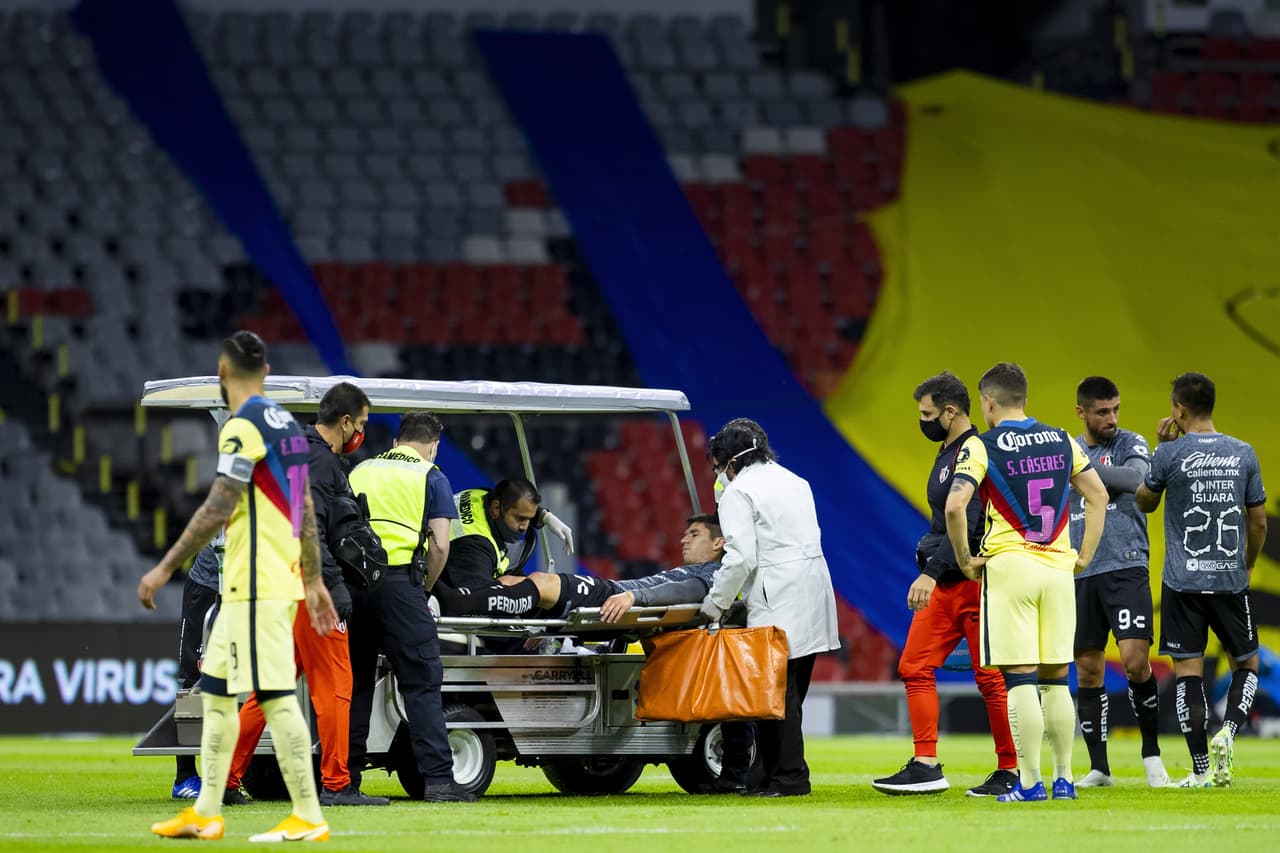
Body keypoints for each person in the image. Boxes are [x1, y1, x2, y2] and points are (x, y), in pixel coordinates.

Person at [140, 330, 338, 842]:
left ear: (223, 371)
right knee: (217, 693)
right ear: (266, 372)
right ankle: (206, 811)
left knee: (274, 696)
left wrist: (164, 567)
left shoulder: (242, 426)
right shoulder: (287, 425)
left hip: (258, 585)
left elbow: (218, 505)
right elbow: (305, 506)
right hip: (256, 584)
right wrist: (313, 578)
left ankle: (308, 814)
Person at [944, 361, 1108, 803]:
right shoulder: (1061, 439)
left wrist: (965, 560)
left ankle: (1031, 783)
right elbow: (1099, 495)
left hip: (1010, 568)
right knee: (1056, 679)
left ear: (988, 402)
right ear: (1025, 399)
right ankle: (1065, 780)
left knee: (1019, 680)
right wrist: (1084, 556)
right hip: (1057, 569)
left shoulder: (981, 445)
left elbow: (956, 505)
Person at [224, 382, 389, 807]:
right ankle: (337, 784)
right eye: (362, 424)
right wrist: (330, 583)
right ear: (346, 421)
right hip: (306, 585)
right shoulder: (317, 461)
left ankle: (224, 777)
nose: (361, 433)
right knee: (336, 683)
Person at [872, 372, 1018, 797]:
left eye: (927, 414)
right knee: (913, 666)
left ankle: (1011, 769)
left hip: (972, 583)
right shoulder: (948, 451)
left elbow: (968, 524)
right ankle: (926, 765)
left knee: (990, 678)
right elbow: (945, 523)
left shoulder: (973, 452)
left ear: (950, 412)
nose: (923, 421)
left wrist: (929, 572)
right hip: (948, 583)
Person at [1136, 372, 1268, 788]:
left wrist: (1159, 450)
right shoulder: (1243, 453)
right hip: (1230, 580)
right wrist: (1247, 564)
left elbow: (1145, 502)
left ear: (1178, 409)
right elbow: (1258, 522)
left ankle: (1199, 769)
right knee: (1246, 664)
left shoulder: (1169, 453)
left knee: (1188, 674)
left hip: (1182, 582)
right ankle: (1228, 730)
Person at [699, 421, 840, 797]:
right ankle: (765, 775)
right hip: (813, 590)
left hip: (777, 596)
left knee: (775, 695)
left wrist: (715, 603)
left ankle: (790, 778)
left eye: (717, 467)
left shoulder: (738, 491)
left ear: (730, 462)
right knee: (791, 692)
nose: (718, 476)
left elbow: (741, 557)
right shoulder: (796, 481)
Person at [345, 413, 470, 802]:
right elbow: (441, 545)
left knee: (354, 686)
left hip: (353, 586)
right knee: (421, 683)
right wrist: (424, 588)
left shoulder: (361, 469)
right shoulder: (431, 475)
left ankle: (343, 781)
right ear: (434, 446)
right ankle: (438, 781)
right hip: (400, 587)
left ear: (396, 441)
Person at [1068, 376, 1169, 788]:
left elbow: (1136, 480)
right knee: (1088, 670)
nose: (1111, 418)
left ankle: (1152, 755)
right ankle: (1099, 768)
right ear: (1082, 412)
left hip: (1126, 565)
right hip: (1081, 570)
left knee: (1135, 661)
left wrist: (1078, 470)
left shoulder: (1130, 442)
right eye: (1102, 412)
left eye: (1115, 409)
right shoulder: (1070, 449)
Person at [432, 477, 574, 618]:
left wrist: (544, 515)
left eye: (529, 519)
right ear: (495, 508)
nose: (524, 527)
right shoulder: (474, 550)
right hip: (451, 590)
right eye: (520, 519)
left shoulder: (479, 496)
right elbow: (481, 603)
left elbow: (516, 503)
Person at [170, 537, 221, 801]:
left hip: (245, 591)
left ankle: (228, 775)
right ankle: (184, 776)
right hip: (208, 586)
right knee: (194, 678)